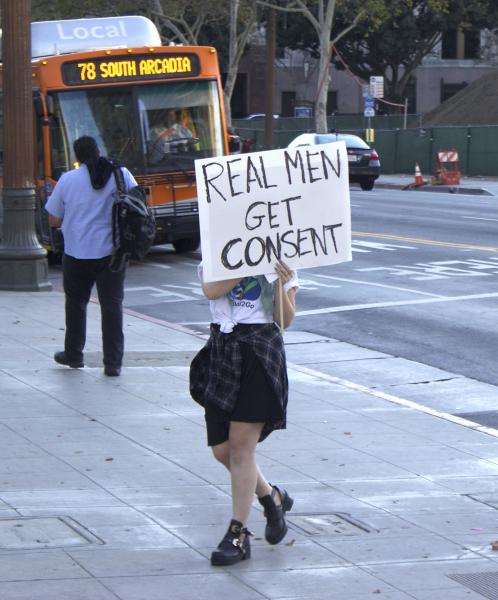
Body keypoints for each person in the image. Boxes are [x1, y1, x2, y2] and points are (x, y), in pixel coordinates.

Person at [189, 260, 299, 566]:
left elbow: (285, 320)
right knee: (223, 451)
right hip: (224, 349)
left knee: (240, 448)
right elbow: (212, 291)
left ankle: (237, 535)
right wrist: (247, 263)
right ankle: (271, 497)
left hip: (261, 351)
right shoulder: (218, 252)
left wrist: (280, 284)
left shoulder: (282, 258)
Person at [45, 136, 137, 377]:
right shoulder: (121, 174)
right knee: (112, 307)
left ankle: (74, 355)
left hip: (77, 253)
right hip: (112, 254)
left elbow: (53, 219)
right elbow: (139, 203)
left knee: (76, 304)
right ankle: (113, 364)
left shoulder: (67, 180)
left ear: (77, 157)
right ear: (98, 150)